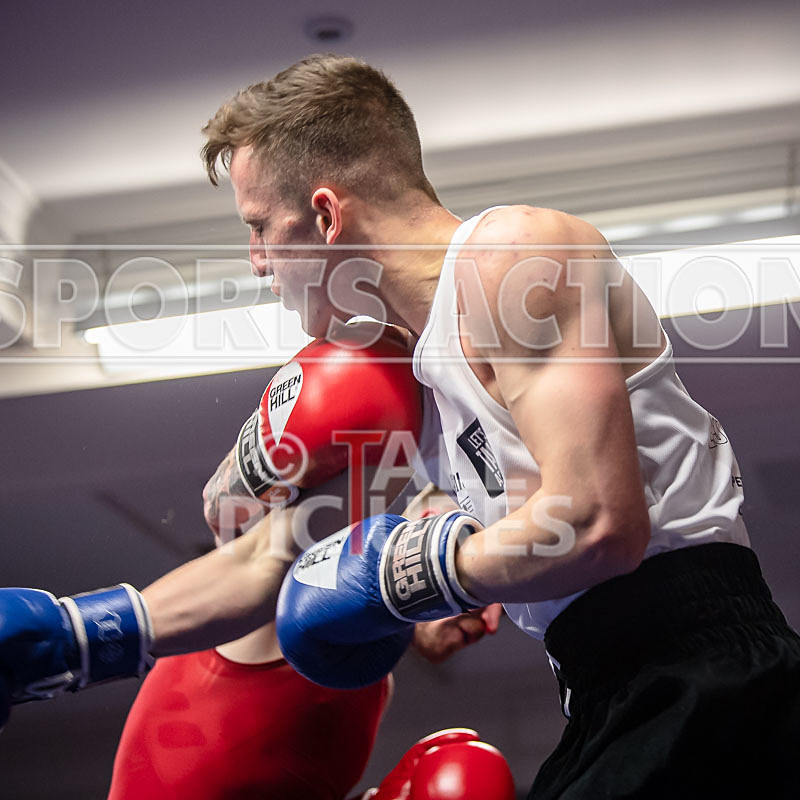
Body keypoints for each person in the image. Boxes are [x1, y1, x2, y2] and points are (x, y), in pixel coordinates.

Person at [194, 54, 800, 799]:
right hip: (605, 694)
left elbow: (600, 523)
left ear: (326, 214)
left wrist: (411, 578)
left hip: (710, 679)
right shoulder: (414, 370)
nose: (257, 261)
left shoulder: (510, 254)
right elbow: (299, 558)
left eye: (260, 227)